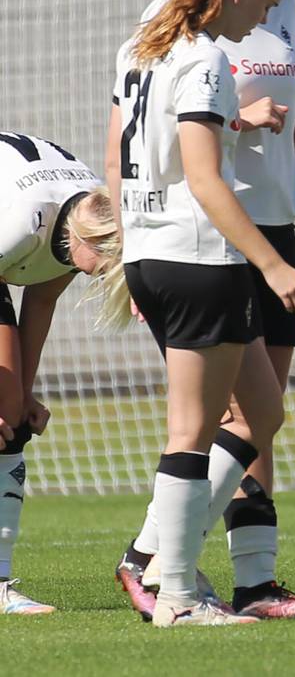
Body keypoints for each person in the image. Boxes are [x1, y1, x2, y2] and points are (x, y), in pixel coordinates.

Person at [114, 0, 295, 620]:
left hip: (205, 237)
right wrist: (272, 265)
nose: (271, 7)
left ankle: (173, 565)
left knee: (262, 412)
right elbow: (198, 171)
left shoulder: (152, 42)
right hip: (203, 245)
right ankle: (171, 584)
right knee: (199, 426)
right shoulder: (198, 47)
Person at [0, 136, 126, 614]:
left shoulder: (84, 215)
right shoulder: (19, 226)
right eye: (112, 261)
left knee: (11, 422)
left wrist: (22, 391)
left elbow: (41, 300)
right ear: (89, 241)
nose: (111, 273)